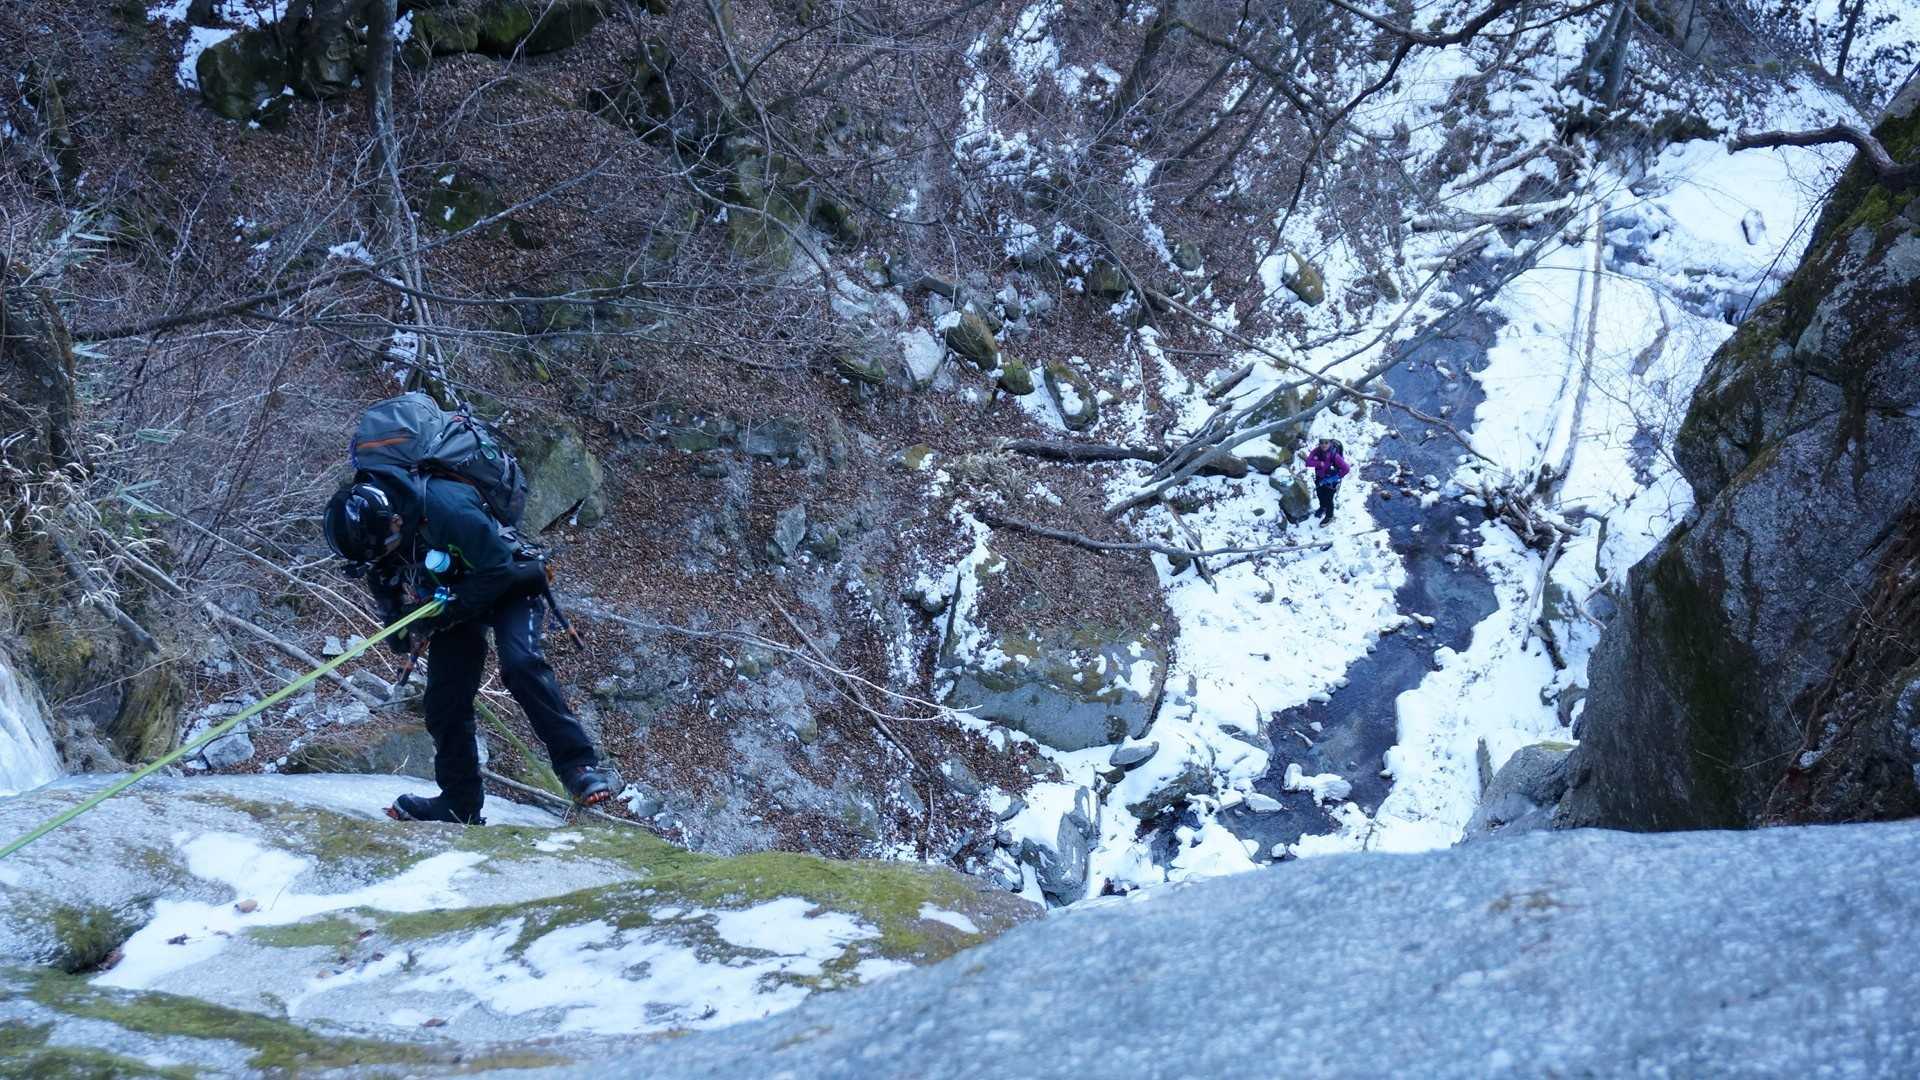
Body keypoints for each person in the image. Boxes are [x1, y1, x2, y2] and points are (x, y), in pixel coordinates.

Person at [324, 476, 614, 823]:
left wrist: (440, 614)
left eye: (383, 550)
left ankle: (577, 766)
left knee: (521, 665)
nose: (383, 559)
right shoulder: (378, 553)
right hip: (452, 604)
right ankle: (459, 802)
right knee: (444, 701)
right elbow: (396, 627)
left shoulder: (446, 509)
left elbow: (498, 570)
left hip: (510, 583)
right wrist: (407, 625)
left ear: (394, 521)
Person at [1302, 438, 1351, 525]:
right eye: (1321, 442)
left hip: (1331, 482)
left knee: (1328, 499)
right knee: (1320, 494)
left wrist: (1334, 478)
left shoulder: (1334, 455)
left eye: (1326, 442)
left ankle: (1329, 516)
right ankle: (1323, 507)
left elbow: (1346, 469)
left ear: (1330, 443)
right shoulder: (1317, 451)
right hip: (1319, 477)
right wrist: (1319, 463)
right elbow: (1308, 462)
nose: (1323, 445)